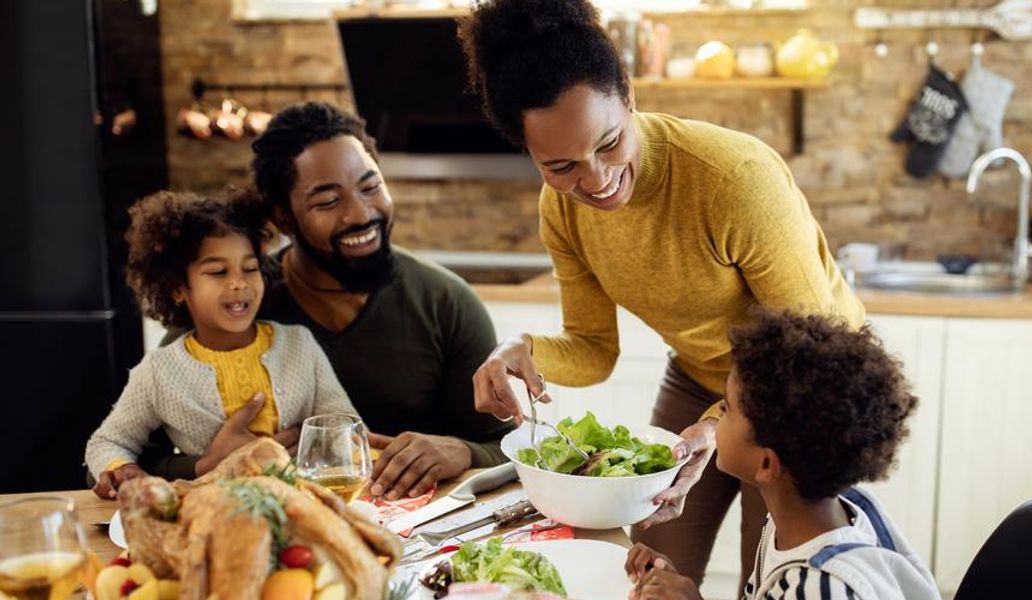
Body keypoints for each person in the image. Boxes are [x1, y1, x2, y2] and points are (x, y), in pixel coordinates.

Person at [460, 0, 865, 585]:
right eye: (561, 164)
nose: (595, 180)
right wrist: (517, 350)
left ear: (628, 96)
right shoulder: (564, 211)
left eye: (608, 143)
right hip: (702, 375)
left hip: (806, 391)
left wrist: (721, 422)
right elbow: (594, 350)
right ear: (528, 153)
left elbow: (812, 349)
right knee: (650, 567)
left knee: (776, 579)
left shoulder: (734, 180)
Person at [250, 102, 514, 500]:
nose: (361, 214)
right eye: (327, 201)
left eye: (371, 187)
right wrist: (217, 459)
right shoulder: (242, 302)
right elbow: (137, 454)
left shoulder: (446, 302)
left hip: (428, 543)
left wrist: (462, 451)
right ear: (284, 217)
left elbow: (510, 451)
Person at [625, 311, 938, 600]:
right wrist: (676, 583)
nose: (716, 412)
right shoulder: (797, 523)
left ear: (766, 464)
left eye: (728, 409)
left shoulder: (823, 588)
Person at [86, 189, 357, 498]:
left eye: (250, 268)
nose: (238, 282)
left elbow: (344, 427)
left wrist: (316, 448)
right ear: (177, 288)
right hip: (214, 511)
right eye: (217, 271)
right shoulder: (158, 372)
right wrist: (123, 468)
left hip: (303, 501)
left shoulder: (299, 344)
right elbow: (107, 442)